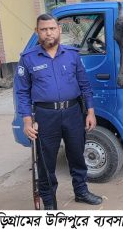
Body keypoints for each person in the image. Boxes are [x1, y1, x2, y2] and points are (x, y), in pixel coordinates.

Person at [15, 13, 103, 210]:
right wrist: (27, 122)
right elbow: (22, 92)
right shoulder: (28, 59)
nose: (48, 33)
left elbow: (84, 85)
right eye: (44, 29)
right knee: (46, 162)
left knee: (77, 156)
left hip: (73, 112)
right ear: (37, 32)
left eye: (52, 28)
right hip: (45, 117)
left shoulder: (72, 54)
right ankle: (49, 201)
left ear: (59, 30)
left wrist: (90, 112)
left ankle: (81, 191)